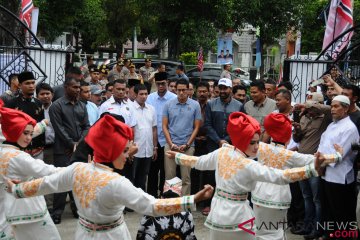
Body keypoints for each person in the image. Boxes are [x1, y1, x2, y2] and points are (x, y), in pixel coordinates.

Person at [7, 115, 214, 240]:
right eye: (124, 151)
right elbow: (151, 206)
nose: (128, 156)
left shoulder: (78, 169)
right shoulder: (116, 183)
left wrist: (17, 190)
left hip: (83, 233)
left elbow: (47, 184)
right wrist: (192, 199)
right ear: (111, 151)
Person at [166, 112, 335, 240]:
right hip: (239, 215)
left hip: (218, 213)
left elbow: (200, 162)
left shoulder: (223, 152)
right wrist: (313, 170)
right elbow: (281, 176)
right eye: (252, 142)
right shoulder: (248, 164)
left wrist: (179, 157)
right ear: (241, 139)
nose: (256, 147)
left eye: (256, 142)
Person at [252, 113, 342, 240]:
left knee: (260, 230)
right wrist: (338, 155)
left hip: (258, 195)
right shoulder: (289, 155)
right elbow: (317, 160)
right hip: (279, 198)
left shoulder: (260, 148)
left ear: (269, 132)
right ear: (288, 136)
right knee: (276, 231)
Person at [0, 102, 60, 240]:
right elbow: (47, 171)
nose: (28, 137)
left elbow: (22, 130)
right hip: (29, 207)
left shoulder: (4, 151)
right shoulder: (20, 157)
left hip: (9, 204)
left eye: (30, 134)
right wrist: (76, 170)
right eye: (26, 133)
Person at [49, 77, 90, 224]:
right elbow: (58, 128)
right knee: (61, 181)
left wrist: (79, 144)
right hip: (62, 150)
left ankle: (77, 210)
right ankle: (57, 212)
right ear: (66, 87)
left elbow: (87, 126)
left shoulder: (82, 105)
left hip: (79, 150)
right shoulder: (57, 106)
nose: (78, 90)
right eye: (74, 87)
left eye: (79, 87)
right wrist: (71, 143)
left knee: (78, 181)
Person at [318, 95, 359, 239]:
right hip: (325, 174)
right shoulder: (331, 125)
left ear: (346, 108)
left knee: (342, 215)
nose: (332, 109)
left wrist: (321, 161)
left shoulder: (350, 128)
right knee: (329, 212)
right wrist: (320, 161)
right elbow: (322, 148)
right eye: (332, 106)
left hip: (340, 178)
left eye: (336, 106)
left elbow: (340, 156)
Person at [163, 79, 202, 196]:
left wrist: (188, 144)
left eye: (183, 90)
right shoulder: (168, 104)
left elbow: (196, 127)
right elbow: (164, 126)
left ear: (188, 90)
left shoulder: (195, 105)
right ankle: (170, 205)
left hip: (188, 147)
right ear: (175, 90)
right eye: (178, 90)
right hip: (171, 146)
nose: (181, 93)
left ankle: (184, 206)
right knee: (170, 178)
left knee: (186, 178)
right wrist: (170, 144)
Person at [146, 72, 177, 197]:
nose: (161, 87)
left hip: (167, 139)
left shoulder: (173, 98)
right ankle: (151, 195)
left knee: (166, 170)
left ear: (167, 83)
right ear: (155, 83)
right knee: (152, 170)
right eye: (158, 84)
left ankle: (164, 194)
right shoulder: (150, 98)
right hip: (153, 139)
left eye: (163, 84)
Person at [6, 71, 45, 159]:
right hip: (18, 150)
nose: (31, 86)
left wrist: (42, 145)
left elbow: (42, 125)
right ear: (20, 85)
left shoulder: (38, 103)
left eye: (33, 83)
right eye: (27, 83)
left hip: (37, 149)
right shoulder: (12, 103)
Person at [132, 84, 157, 191]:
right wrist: (129, 150)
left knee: (143, 178)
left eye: (146, 94)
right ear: (135, 95)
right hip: (134, 151)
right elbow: (129, 130)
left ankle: (140, 202)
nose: (144, 96)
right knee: (131, 177)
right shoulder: (129, 109)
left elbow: (154, 129)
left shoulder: (151, 109)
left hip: (148, 150)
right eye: (141, 94)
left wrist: (155, 148)